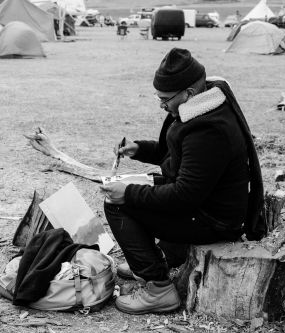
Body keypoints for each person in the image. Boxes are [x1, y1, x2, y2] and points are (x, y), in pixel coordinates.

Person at [99, 48, 264, 315]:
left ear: (188, 93)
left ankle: (158, 289)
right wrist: (139, 149)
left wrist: (128, 193)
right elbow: (180, 157)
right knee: (138, 188)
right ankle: (160, 258)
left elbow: (184, 196)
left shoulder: (209, 129)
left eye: (165, 99)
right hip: (204, 204)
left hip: (215, 221)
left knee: (117, 204)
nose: (161, 104)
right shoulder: (201, 108)